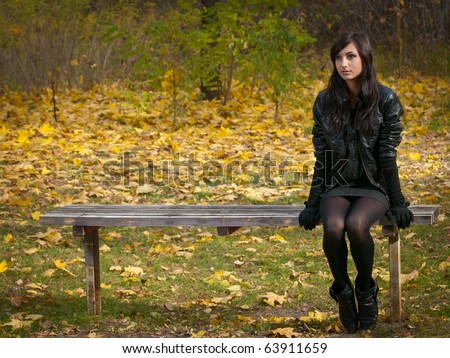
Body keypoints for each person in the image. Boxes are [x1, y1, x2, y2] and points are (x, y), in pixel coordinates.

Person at [298, 32, 414, 333]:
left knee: (356, 225)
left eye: (350, 56)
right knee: (334, 227)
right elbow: (322, 157)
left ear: (365, 58)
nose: (343, 63)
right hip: (336, 185)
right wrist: (313, 203)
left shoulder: (386, 99)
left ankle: (365, 287)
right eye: (338, 57)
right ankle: (343, 290)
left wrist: (398, 202)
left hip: (373, 186)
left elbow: (387, 156)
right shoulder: (325, 101)